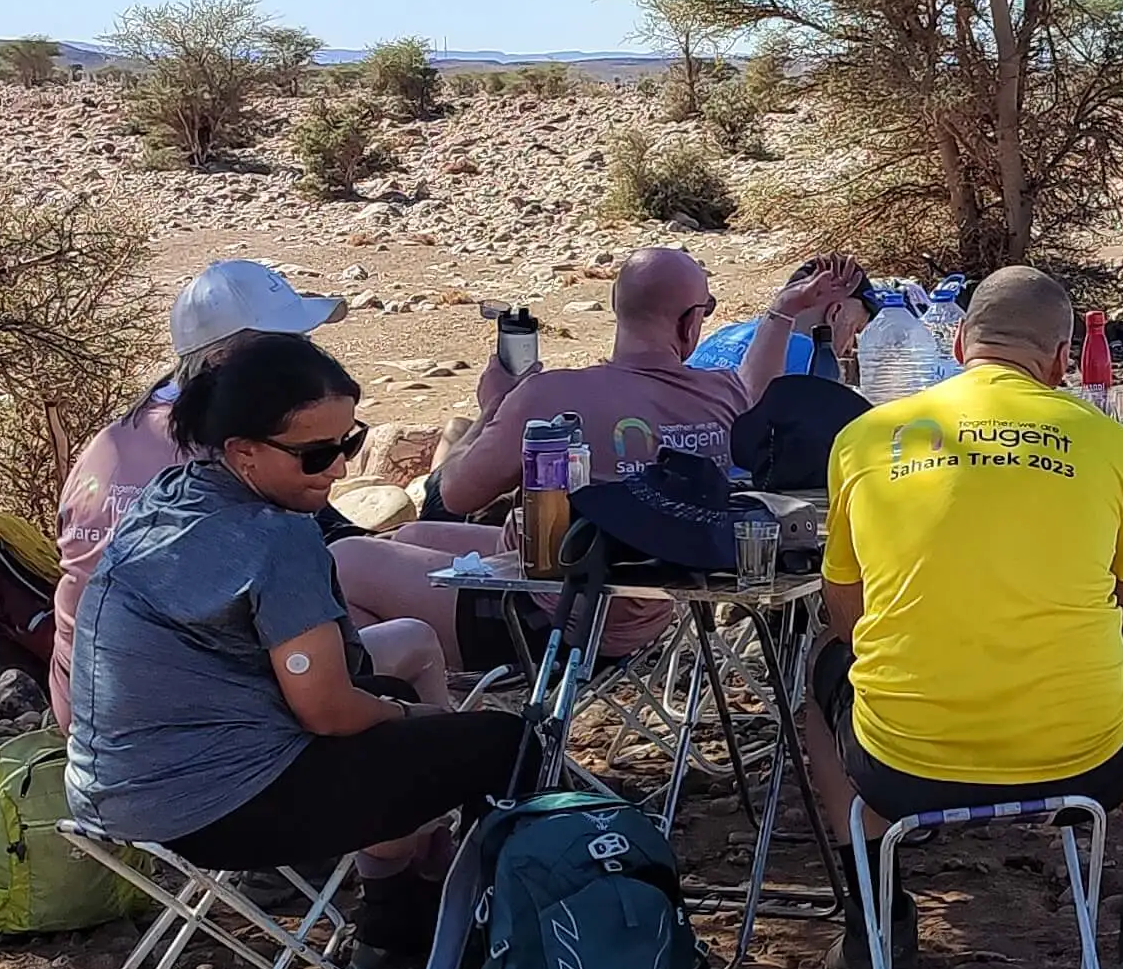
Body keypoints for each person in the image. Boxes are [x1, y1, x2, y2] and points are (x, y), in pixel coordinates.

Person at [801, 265, 1123, 969]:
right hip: (1086, 763)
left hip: (898, 766)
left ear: (958, 344)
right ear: (1061, 359)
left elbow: (847, 617)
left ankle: (878, 926)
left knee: (824, 668)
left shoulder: (864, 438)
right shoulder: (1106, 441)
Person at [64, 334, 525, 969]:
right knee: (510, 744)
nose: (338, 468)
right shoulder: (276, 537)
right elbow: (330, 712)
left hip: (111, 791)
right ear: (243, 452)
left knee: (404, 724)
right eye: (316, 454)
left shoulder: (166, 498)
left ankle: (398, 925)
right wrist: (403, 717)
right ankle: (521, 955)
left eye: (350, 442)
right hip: (214, 803)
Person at [332, 251, 862, 671]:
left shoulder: (550, 397)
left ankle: (379, 708)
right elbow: (756, 384)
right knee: (407, 542)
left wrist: (495, 407)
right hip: (655, 600)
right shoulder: (721, 398)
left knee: (346, 560)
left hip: (556, 617)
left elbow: (451, 498)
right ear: (689, 323)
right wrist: (781, 312)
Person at [50, 261, 448, 728]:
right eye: (291, 348)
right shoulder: (238, 453)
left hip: (85, 695)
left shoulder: (115, 437)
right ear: (232, 362)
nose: (307, 360)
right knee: (408, 642)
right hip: (181, 708)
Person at [693, 258, 872, 382]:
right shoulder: (812, 357)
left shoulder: (727, 332)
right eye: (856, 330)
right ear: (835, 313)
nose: (850, 349)